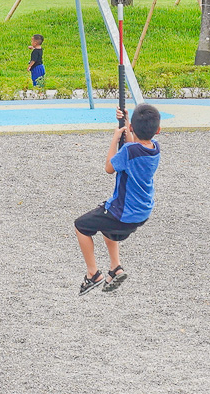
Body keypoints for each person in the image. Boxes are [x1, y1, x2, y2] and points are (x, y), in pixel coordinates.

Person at [74, 104, 161, 295]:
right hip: (142, 211)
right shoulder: (155, 149)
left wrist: (115, 137)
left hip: (123, 213)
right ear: (158, 130)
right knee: (106, 225)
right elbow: (132, 144)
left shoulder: (129, 151)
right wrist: (127, 121)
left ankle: (93, 274)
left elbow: (109, 167)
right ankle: (115, 268)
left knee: (81, 226)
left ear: (131, 129)